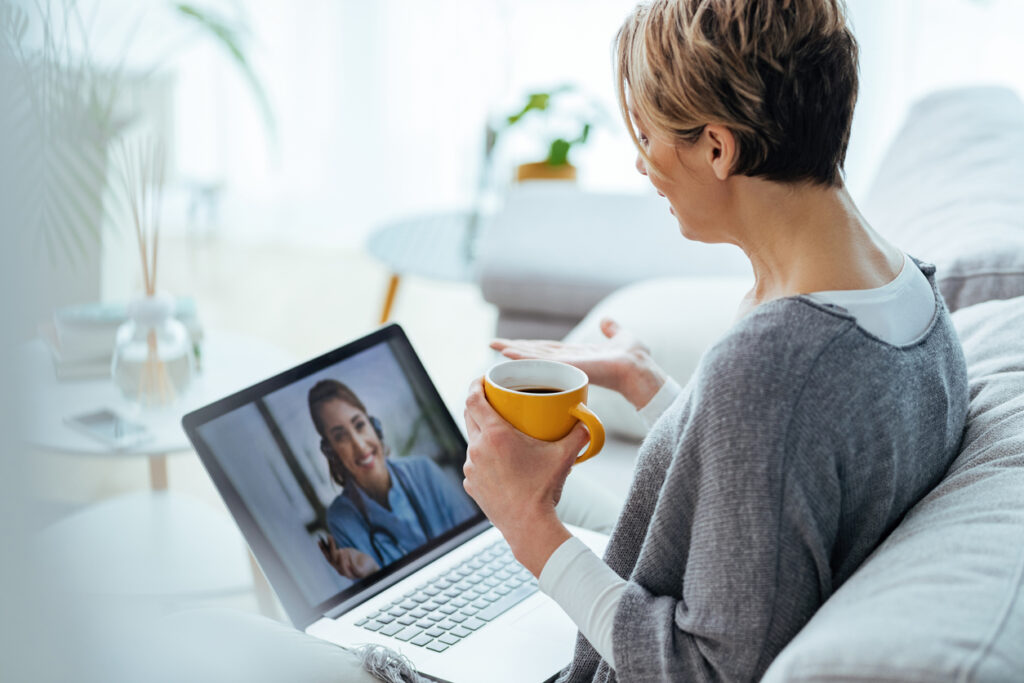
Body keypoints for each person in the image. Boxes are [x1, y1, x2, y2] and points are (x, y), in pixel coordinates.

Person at [462, 1, 969, 681]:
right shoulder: (908, 291)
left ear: (717, 147)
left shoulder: (774, 366)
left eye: (647, 136)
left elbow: (708, 668)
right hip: (655, 587)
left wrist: (530, 524)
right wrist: (650, 385)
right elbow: (778, 480)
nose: (643, 166)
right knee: (468, 486)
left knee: (468, 491)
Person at [308, 379, 477, 580]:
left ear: (374, 425)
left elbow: (475, 540)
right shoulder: (342, 518)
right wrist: (372, 573)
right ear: (331, 452)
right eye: (341, 437)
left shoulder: (423, 471)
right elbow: (370, 596)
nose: (360, 446)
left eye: (359, 425)